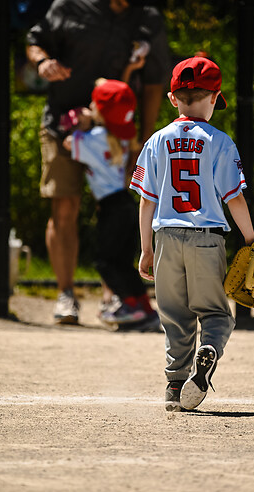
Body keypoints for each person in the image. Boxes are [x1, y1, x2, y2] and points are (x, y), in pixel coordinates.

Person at [26, 0, 170, 324]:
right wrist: (44, 62)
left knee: (112, 218)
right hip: (60, 122)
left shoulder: (147, 18)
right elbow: (35, 41)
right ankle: (66, 295)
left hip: (115, 135)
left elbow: (153, 81)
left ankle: (114, 298)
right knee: (64, 208)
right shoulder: (69, 7)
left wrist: (143, 138)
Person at [129, 56, 254, 411]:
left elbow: (145, 202)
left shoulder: (156, 141)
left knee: (174, 314)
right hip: (207, 238)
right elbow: (234, 198)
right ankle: (210, 349)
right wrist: (250, 240)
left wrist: (145, 249)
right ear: (214, 97)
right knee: (215, 314)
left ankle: (174, 386)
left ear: (173, 99)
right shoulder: (220, 141)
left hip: (166, 237)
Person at [63, 78, 160, 330]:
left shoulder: (94, 137)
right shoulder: (122, 137)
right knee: (121, 262)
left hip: (111, 207)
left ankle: (131, 306)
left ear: (98, 110)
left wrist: (79, 122)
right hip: (125, 203)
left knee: (105, 262)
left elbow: (67, 141)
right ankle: (144, 308)